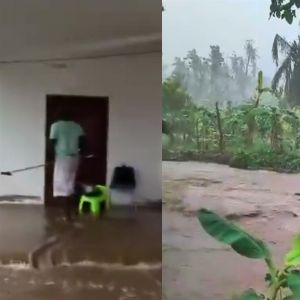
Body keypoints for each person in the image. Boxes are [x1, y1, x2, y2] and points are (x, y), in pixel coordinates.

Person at [49, 109, 86, 220]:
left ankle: (67, 214)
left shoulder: (55, 126)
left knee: (62, 186)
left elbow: (52, 142)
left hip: (62, 158)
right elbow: (82, 143)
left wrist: (50, 158)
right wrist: (81, 155)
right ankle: (68, 212)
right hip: (74, 157)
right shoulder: (77, 126)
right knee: (69, 183)